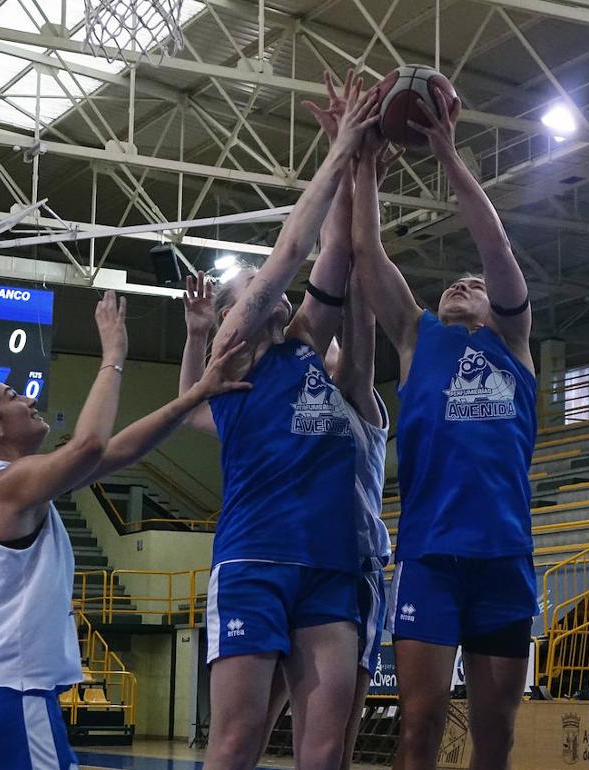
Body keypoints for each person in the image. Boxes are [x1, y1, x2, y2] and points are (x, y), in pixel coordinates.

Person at [0, 289, 249, 770]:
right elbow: (88, 445)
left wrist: (194, 395)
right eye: (13, 396)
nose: (29, 398)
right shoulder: (6, 484)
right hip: (5, 695)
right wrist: (113, 355)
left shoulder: (5, 487)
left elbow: (116, 452)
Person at [177, 72, 381, 770]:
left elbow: (334, 253)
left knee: (323, 752)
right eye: (254, 288)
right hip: (255, 559)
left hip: (329, 564)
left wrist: (352, 161)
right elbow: (294, 247)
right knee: (236, 741)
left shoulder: (301, 351)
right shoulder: (234, 358)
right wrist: (344, 142)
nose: (276, 289)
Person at [351, 85, 538, 770]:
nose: (463, 284)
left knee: (495, 734)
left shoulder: (513, 342)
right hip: (430, 557)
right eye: (452, 282)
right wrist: (364, 170)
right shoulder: (414, 337)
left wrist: (448, 156)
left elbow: (493, 246)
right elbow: (367, 253)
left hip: (504, 560)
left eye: (475, 285)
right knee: (419, 722)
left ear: (497, 306)